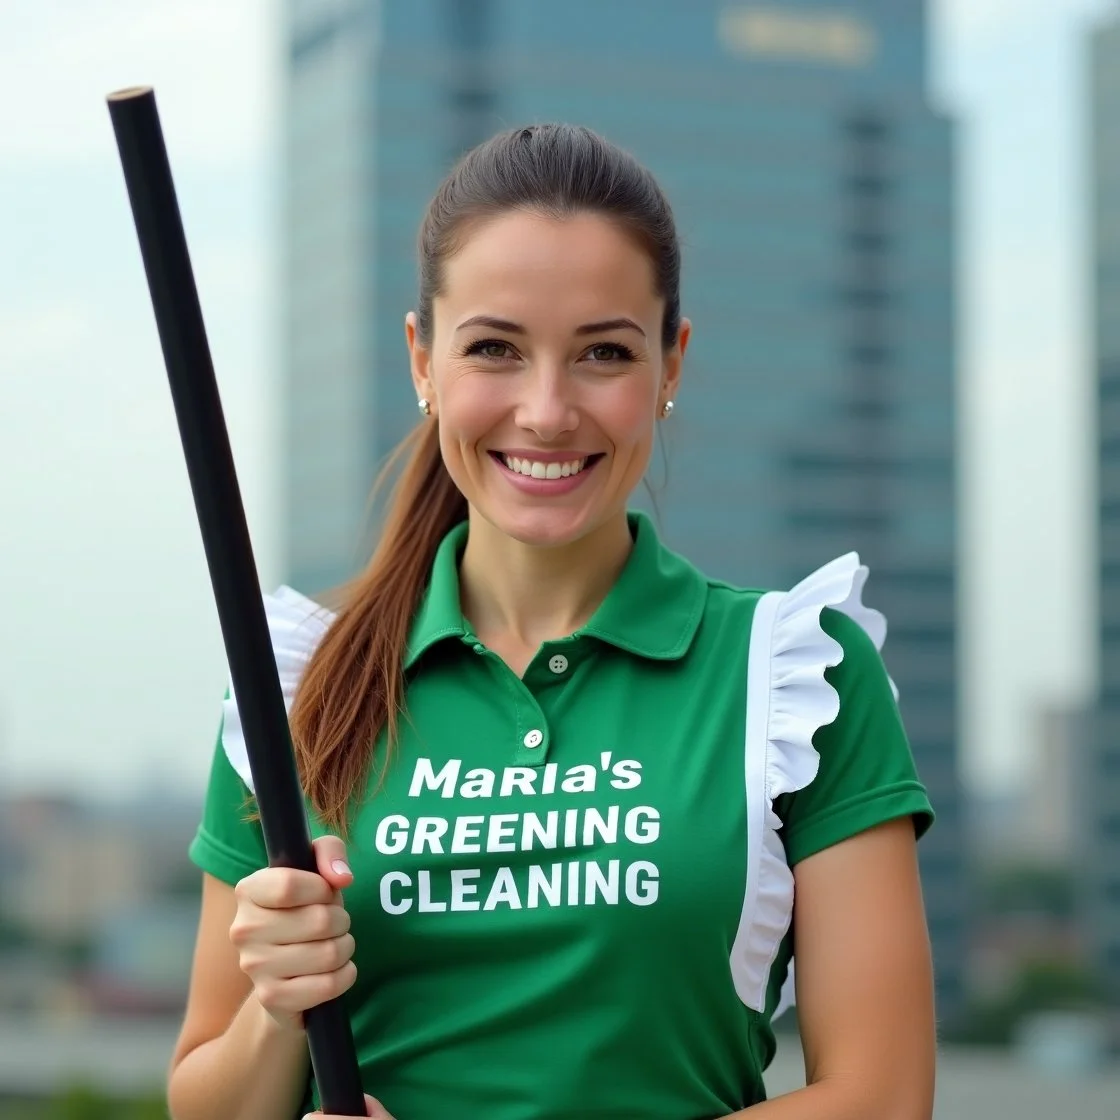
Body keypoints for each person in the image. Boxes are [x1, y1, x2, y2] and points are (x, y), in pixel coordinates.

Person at [166, 123, 936, 1120]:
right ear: (422, 358)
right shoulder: (296, 684)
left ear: (670, 363)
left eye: (602, 353)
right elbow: (207, 1106)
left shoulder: (796, 675)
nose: (545, 410)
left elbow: (880, 1099)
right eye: (493, 347)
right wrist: (279, 1004)